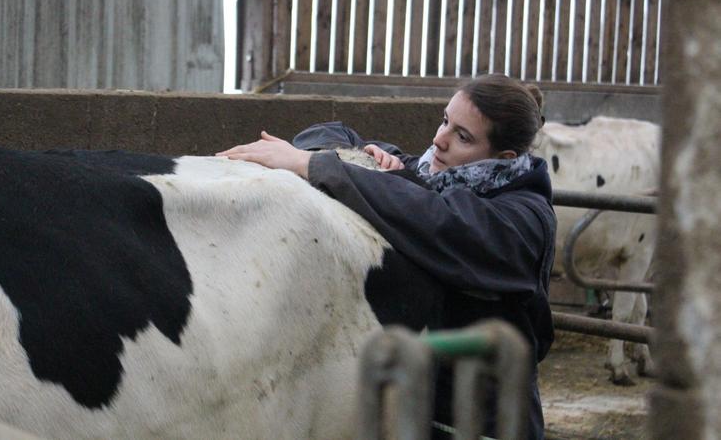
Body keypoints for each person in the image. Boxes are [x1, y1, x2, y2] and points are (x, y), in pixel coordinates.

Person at [218, 73, 556, 440]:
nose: (438, 140)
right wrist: (364, 158)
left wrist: (319, 168)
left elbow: (437, 217)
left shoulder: (523, 221)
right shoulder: (431, 173)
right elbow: (326, 132)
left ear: (503, 158)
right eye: (445, 120)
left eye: (463, 136)